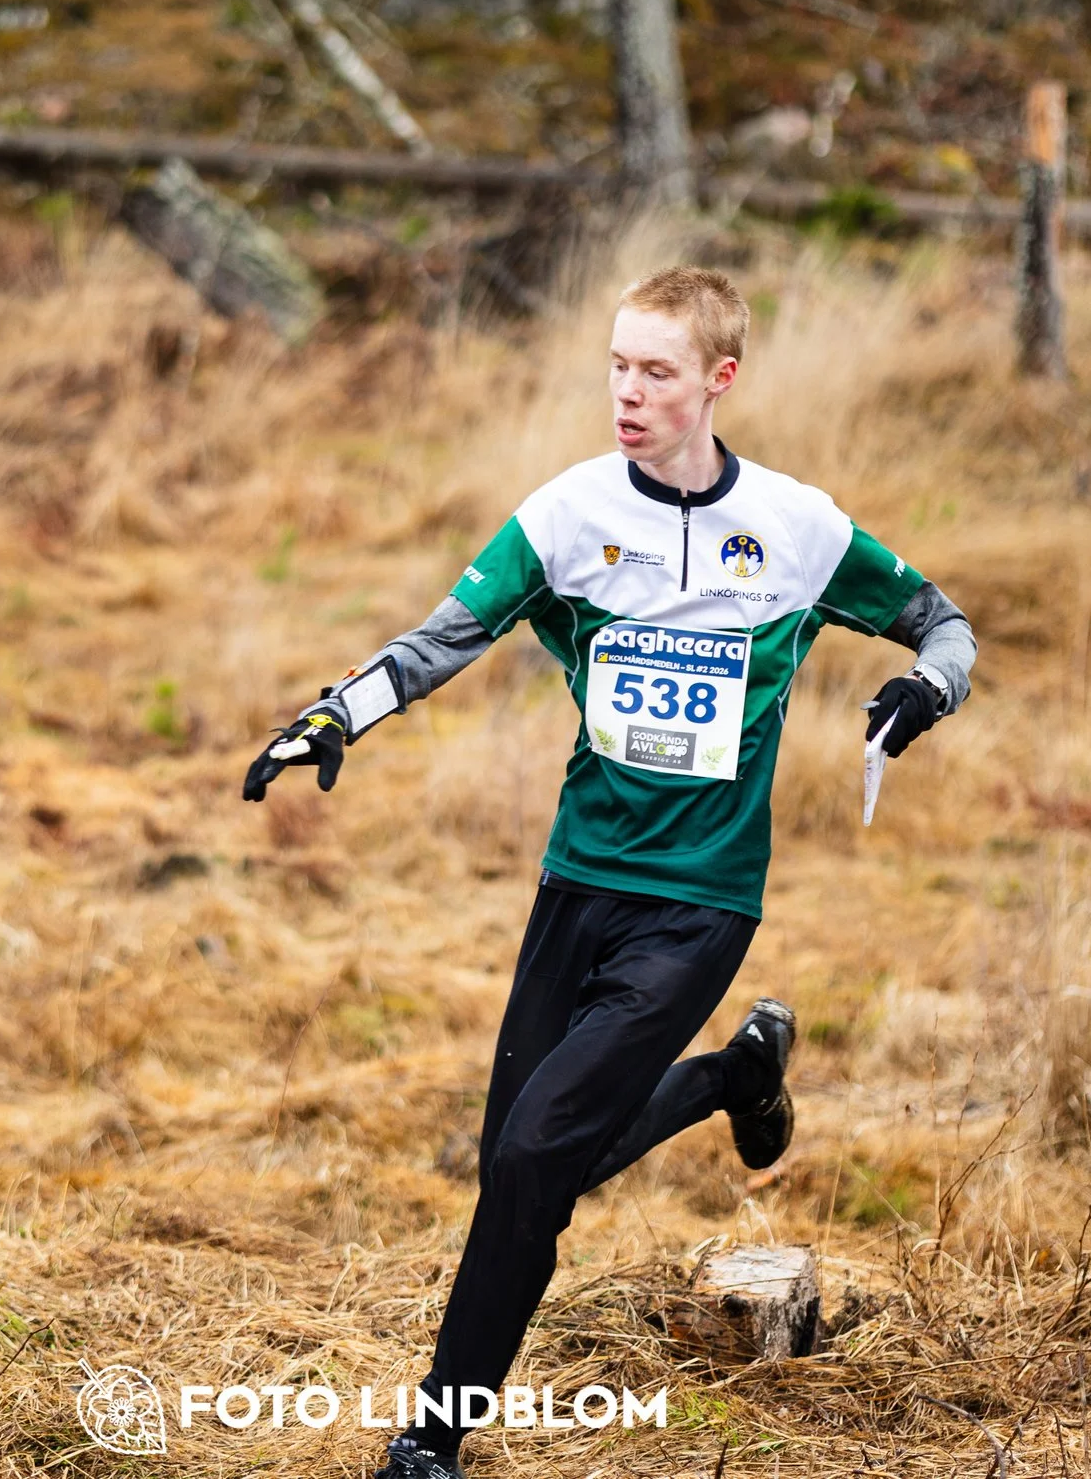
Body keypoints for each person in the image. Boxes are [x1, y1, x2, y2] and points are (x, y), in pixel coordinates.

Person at [242, 266, 976, 1479]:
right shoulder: (569, 516)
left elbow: (942, 620)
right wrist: (335, 717)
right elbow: (442, 639)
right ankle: (737, 1072)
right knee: (521, 1167)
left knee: (535, 1158)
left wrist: (923, 688)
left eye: (656, 372)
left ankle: (432, 1438)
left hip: (700, 901)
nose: (626, 394)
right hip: (576, 880)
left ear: (717, 381)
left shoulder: (796, 530)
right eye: (616, 366)